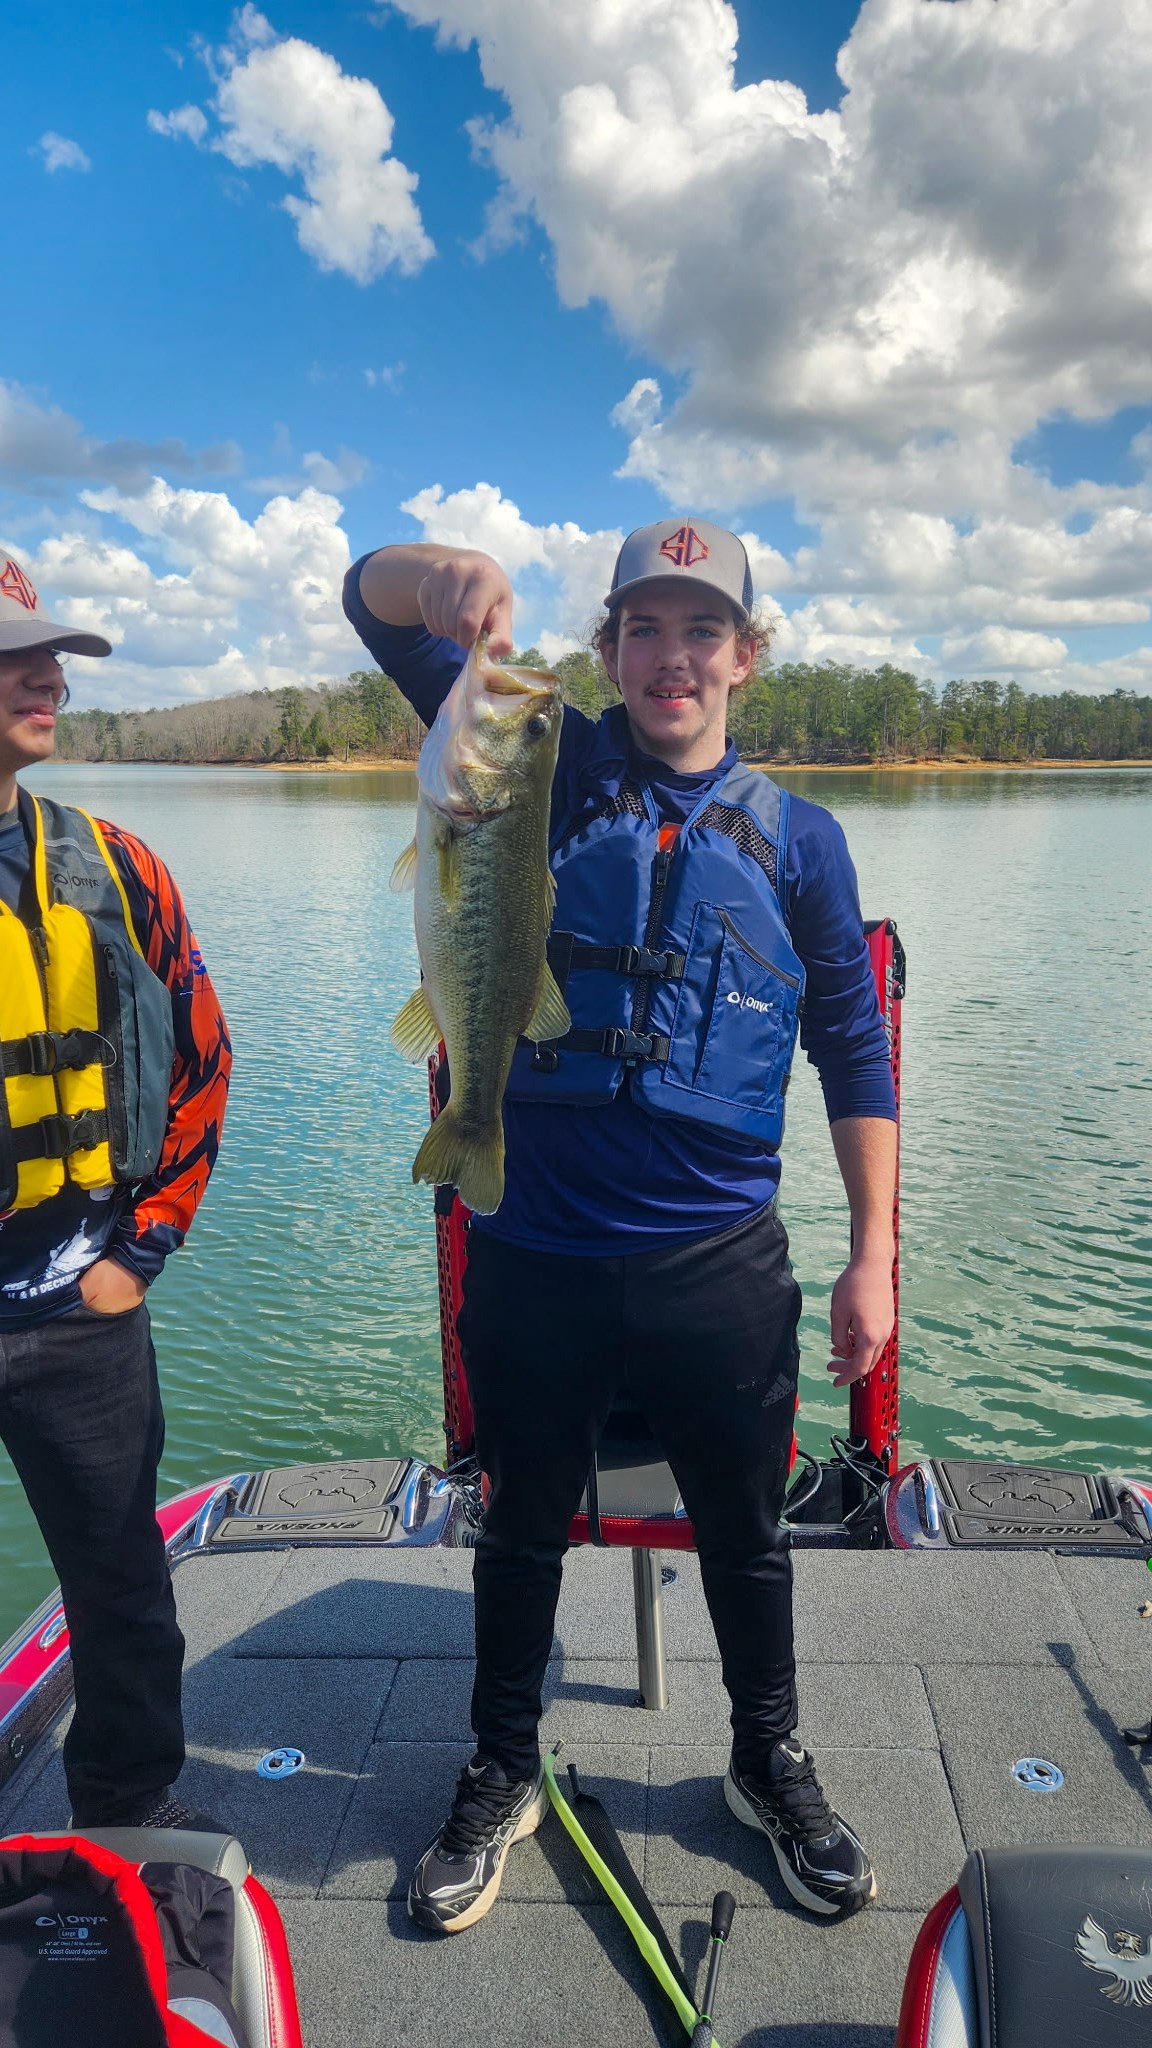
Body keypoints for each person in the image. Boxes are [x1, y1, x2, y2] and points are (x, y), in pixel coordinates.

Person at [344, 518, 897, 1932]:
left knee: (746, 1537)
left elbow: (854, 1045)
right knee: (519, 1530)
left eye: (701, 630)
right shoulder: (538, 759)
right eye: (644, 629)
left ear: (746, 659)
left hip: (722, 1263)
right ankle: (499, 1766)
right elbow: (373, 603)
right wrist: (437, 581)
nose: (672, 657)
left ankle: (768, 1760)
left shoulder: (805, 842)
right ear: (607, 653)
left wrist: (875, 1253)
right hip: (536, 1251)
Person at [0, 554, 231, 1828]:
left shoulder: (116, 869)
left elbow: (204, 1056)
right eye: (13, 655)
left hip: (80, 1311)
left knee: (122, 1584)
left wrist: (142, 1246)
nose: (48, 675)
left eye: (53, 653)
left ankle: (126, 1834)